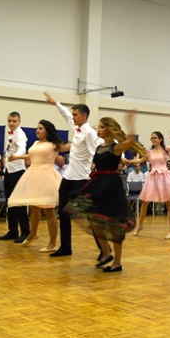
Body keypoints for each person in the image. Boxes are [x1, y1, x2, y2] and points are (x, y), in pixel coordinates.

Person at [66, 113, 146, 272]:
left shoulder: (115, 148)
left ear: (109, 129)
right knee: (92, 218)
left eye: (102, 127)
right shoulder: (99, 147)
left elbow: (131, 141)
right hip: (98, 184)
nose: (99, 129)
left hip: (111, 186)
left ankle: (117, 262)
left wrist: (130, 122)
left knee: (114, 224)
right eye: (99, 127)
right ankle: (106, 252)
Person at [44, 92, 102, 258]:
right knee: (63, 212)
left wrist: (96, 170)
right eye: (73, 114)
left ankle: (104, 250)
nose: (73, 117)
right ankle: (65, 247)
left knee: (89, 215)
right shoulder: (77, 128)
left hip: (82, 179)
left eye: (76, 114)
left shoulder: (89, 133)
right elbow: (66, 115)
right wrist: (56, 103)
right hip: (68, 178)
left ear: (84, 116)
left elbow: (95, 152)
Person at [6, 120, 69, 252]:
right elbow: (31, 155)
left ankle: (52, 243)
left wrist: (86, 135)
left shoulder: (54, 144)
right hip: (33, 175)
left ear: (47, 131)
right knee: (33, 207)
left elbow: (71, 146)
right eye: (37, 128)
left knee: (48, 210)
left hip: (46, 177)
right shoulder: (35, 143)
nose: (37, 130)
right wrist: (16, 157)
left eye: (41, 128)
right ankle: (33, 233)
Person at [129, 131, 170, 240]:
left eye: (155, 137)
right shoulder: (149, 152)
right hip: (153, 177)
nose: (153, 139)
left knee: (169, 204)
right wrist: (128, 161)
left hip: (164, 177)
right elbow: (140, 160)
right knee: (145, 202)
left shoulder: (166, 149)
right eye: (152, 138)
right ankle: (139, 225)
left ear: (160, 139)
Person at [0, 112, 31, 243]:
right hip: (9, 171)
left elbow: (22, 148)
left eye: (14, 121)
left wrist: (16, 155)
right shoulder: (10, 133)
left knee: (20, 203)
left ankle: (25, 232)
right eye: (9, 120)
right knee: (10, 202)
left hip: (17, 171)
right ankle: (13, 231)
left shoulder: (20, 134)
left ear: (19, 122)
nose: (11, 123)